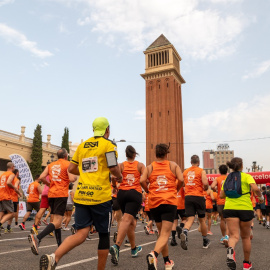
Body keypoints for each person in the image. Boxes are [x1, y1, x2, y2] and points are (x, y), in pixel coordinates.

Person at [39, 117, 123, 270]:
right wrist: (119, 176)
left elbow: (71, 168)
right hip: (100, 197)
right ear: (107, 130)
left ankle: (54, 257)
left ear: (93, 130)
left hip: (82, 195)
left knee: (81, 233)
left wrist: (86, 170)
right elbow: (112, 166)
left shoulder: (83, 146)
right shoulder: (109, 145)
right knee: (104, 235)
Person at [140, 144, 183, 270]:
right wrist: (176, 189)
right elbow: (181, 179)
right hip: (169, 201)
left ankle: (167, 261)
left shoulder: (150, 167)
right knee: (165, 234)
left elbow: (142, 180)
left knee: (161, 234)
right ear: (166, 153)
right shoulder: (172, 165)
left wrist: (148, 190)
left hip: (154, 202)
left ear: (156, 154)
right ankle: (154, 254)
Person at [28, 148, 77, 254]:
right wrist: (75, 176)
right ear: (65, 156)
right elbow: (72, 179)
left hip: (52, 194)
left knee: (56, 222)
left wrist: (50, 184)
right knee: (57, 221)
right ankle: (38, 238)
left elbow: (41, 177)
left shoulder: (51, 165)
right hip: (61, 194)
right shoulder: (67, 163)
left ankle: (60, 246)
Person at [220, 157, 264, 270]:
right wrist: (260, 197)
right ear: (242, 166)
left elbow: (221, 195)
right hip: (245, 208)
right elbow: (255, 188)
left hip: (230, 208)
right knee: (245, 237)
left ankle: (231, 250)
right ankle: (246, 263)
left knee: (234, 236)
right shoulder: (247, 176)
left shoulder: (227, 178)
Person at [110, 145, 145, 265]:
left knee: (131, 221)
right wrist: (146, 190)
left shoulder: (121, 165)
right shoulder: (140, 165)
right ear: (135, 154)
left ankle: (133, 248)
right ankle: (116, 246)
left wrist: (114, 187)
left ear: (126, 154)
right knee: (126, 220)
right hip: (134, 194)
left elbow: (113, 177)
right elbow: (144, 180)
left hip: (122, 194)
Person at [180, 155, 210, 250]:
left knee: (190, 219)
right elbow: (205, 183)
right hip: (198, 196)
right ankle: (205, 241)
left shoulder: (185, 172)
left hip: (188, 196)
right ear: (199, 162)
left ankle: (185, 231)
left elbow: (182, 184)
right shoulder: (201, 171)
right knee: (202, 220)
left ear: (190, 162)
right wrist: (205, 188)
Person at [0, 162, 21, 235]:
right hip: (6, 196)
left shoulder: (2, 175)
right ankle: (1, 224)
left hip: (1, 195)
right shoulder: (11, 174)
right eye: (14, 167)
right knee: (11, 213)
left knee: (2, 212)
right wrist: (15, 188)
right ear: (12, 167)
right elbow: (9, 182)